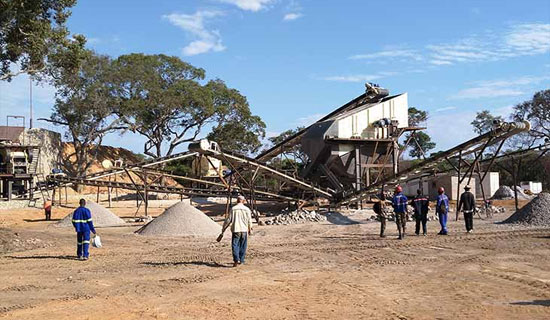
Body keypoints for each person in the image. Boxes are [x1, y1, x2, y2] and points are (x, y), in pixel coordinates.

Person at [218, 195, 253, 267]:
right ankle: (242, 260)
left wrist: (223, 229)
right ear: (244, 201)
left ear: (237, 200)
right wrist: (250, 229)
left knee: (235, 245)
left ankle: (236, 260)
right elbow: (249, 220)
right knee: (243, 245)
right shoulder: (247, 209)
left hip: (236, 229)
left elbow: (228, 220)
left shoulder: (233, 209)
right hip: (244, 230)